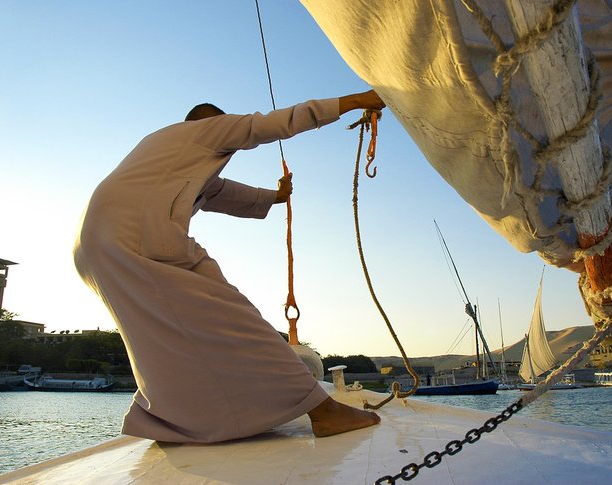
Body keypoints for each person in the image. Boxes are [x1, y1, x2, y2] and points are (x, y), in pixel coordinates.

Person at [74, 90, 385, 443]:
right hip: (136, 234)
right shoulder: (204, 130)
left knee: (167, 337)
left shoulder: (170, 154)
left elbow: (222, 193)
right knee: (233, 315)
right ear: (212, 123)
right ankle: (323, 412)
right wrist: (359, 100)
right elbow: (268, 124)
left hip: (95, 244)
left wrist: (275, 196)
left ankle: (175, 420)